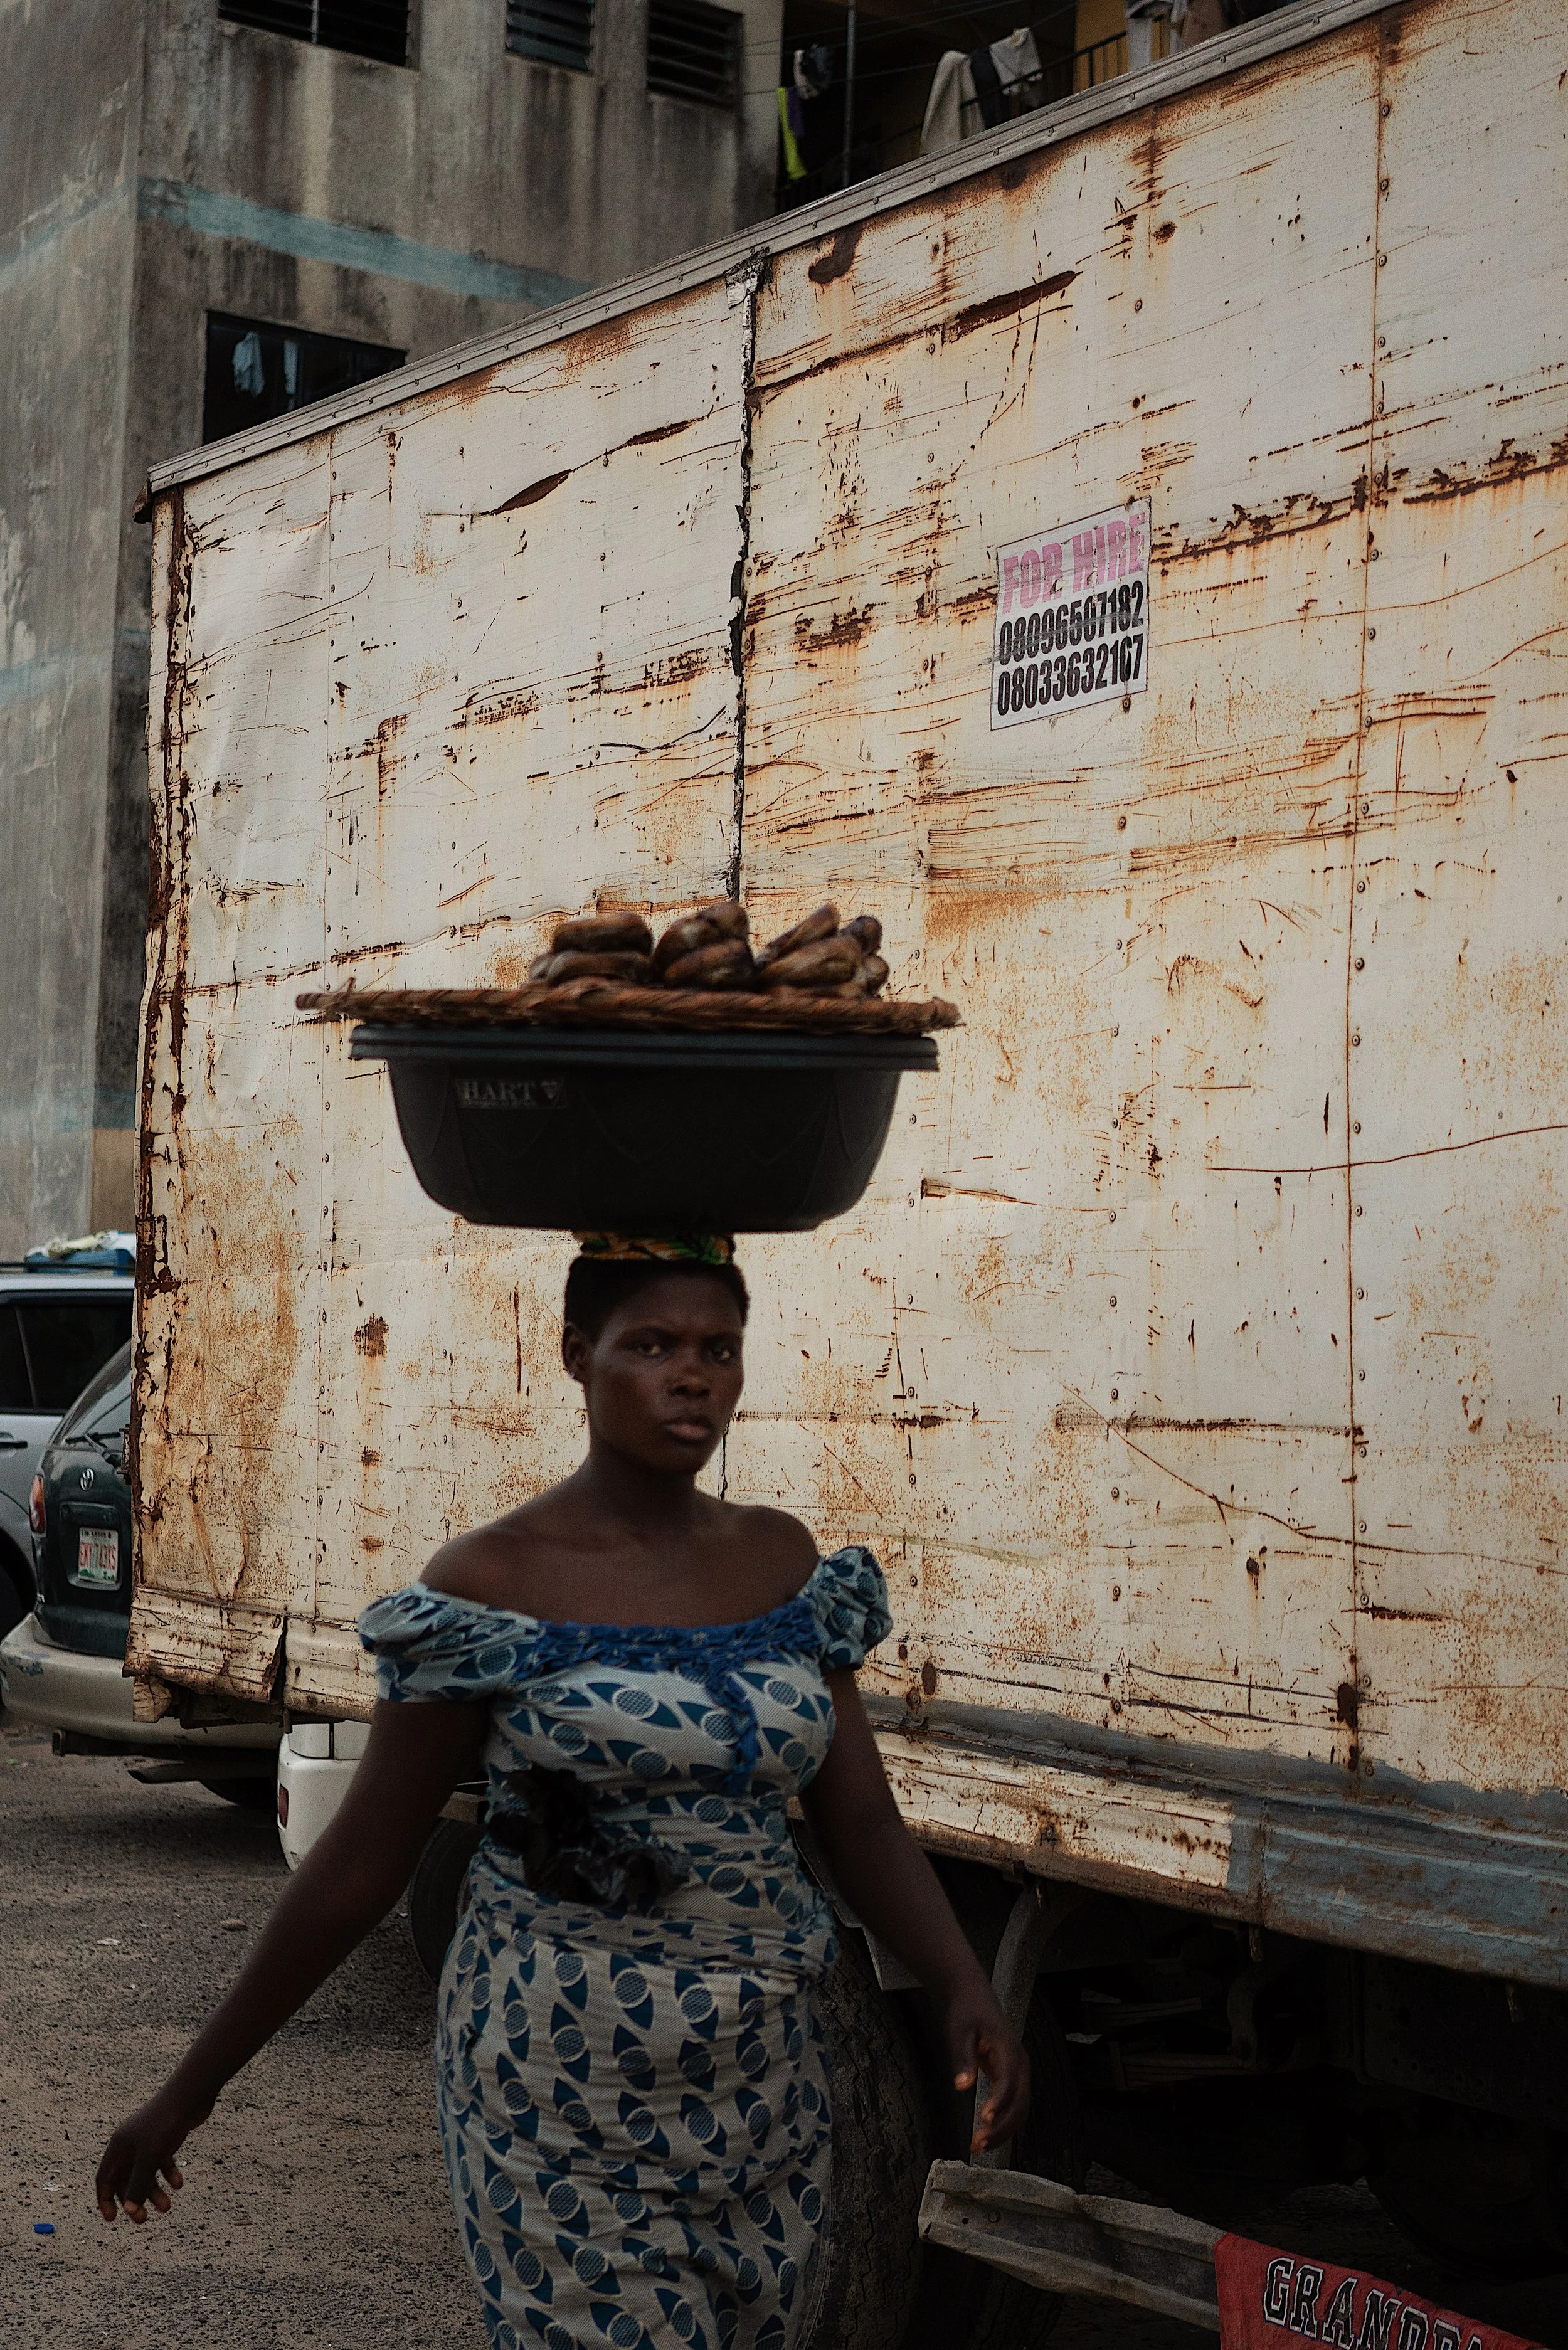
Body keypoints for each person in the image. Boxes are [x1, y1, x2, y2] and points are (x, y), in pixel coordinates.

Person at [95, 1233, 1029, 2350]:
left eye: (718, 1348)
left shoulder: (784, 1564)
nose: (694, 1375)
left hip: (764, 2077)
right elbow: (359, 1864)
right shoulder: (490, 1584)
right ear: (577, 1357)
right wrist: (190, 2090)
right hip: (556, 2079)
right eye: (652, 1345)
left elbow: (861, 1819)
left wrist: (963, 1985)